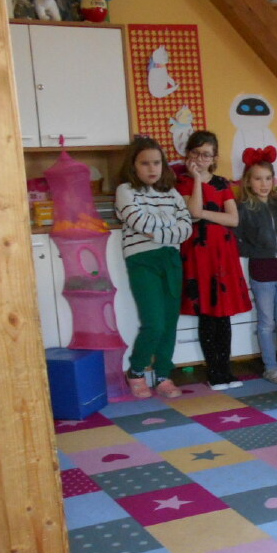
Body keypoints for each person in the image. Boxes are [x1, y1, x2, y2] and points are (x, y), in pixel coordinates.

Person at [115, 136, 194, 399]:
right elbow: (140, 223)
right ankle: (136, 371)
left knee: (169, 323)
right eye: (145, 163)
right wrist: (169, 227)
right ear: (133, 166)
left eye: (157, 163)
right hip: (142, 261)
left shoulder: (171, 193)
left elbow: (186, 228)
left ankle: (162, 375)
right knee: (154, 323)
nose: (152, 168)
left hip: (171, 260)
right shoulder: (126, 190)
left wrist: (159, 231)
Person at [177, 131, 251, 390]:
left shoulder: (222, 183)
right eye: (196, 153)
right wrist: (197, 179)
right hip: (199, 255)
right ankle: (214, 372)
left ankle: (226, 370)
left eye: (206, 155)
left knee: (223, 314)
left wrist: (206, 213)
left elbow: (233, 219)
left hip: (223, 255)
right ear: (188, 154)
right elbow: (193, 214)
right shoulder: (183, 183)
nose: (200, 159)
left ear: (214, 158)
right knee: (207, 313)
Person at [236, 159, 277, 384]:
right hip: (261, 272)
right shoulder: (244, 208)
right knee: (266, 323)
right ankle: (271, 367)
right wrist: (256, 251)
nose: (264, 184)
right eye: (258, 179)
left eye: (267, 178)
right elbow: (237, 237)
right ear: (248, 181)